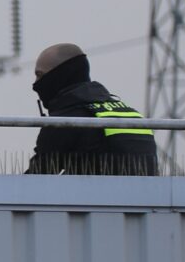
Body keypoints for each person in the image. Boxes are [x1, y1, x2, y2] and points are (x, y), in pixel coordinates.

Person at [25, 42, 159, 174]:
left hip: (96, 194)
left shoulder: (66, 121)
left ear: (58, 76)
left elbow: (36, 180)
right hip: (147, 194)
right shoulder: (131, 114)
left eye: (40, 75)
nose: (36, 84)